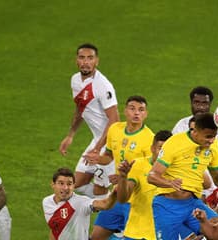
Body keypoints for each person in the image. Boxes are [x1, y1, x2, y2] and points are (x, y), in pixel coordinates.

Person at [147, 112, 218, 239]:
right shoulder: (175, 143)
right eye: (208, 136)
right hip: (166, 206)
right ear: (195, 131)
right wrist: (169, 183)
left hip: (191, 204)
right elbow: (152, 176)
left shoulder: (213, 146)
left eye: (214, 136)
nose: (212, 140)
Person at [85, 95, 155, 240]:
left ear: (146, 114)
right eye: (132, 108)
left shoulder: (149, 139)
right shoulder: (115, 129)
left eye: (141, 110)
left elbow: (150, 171)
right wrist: (98, 159)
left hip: (136, 199)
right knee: (96, 237)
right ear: (125, 111)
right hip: (116, 195)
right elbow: (109, 156)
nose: (137, 113)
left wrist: (124, 177)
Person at [59, 43, 120, 198]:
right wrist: (70, 135)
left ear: (96, 61)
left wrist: (98, 148)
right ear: (76, 60)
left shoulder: (102, 85)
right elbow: (80, 107)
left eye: (90, 58)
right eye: (82, 58)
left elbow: (115, 120)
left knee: (99, 191)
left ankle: (119, 204)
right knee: (78, 184)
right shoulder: (75, 80)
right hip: (97, 140)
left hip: (110, 144)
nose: (86, 62)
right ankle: (115, 199)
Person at [116, 130, 172, 240]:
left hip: (165, 234)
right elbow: (122, 199)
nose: (163, 154)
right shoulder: (138, 165)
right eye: (160, 148)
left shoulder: (177, 170)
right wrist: (122, 177)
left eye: (168, 150)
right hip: (136, 233)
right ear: (152, 149)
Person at [172, 86, 218, 165]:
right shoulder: (181, 125)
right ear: (191, 103)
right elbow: (170, 151)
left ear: (210, 104)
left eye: (205, 103)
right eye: (196, 102)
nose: (200, 107)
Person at [42, 167, 117, 240]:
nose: (65, 188)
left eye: (69, 184)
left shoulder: (81, 202)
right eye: (61, 183)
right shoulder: (47, 202)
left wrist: (116, 190)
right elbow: (55, 228)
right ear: (53, 184)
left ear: (74, 186)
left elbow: (105, 204)